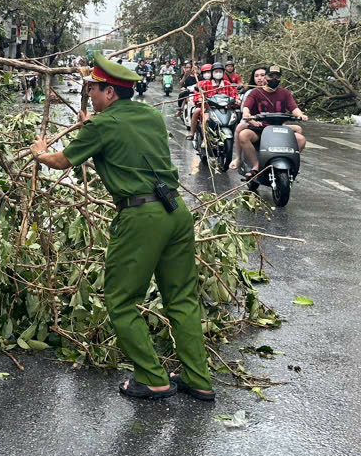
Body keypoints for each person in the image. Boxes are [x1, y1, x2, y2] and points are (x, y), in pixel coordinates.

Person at [29, 56, 214, 402]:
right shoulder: (150, 116)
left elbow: (62, 161)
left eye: (94, 90)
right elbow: (124, 141)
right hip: (176, 213)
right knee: (182, 299)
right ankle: (198, 378)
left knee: (121, 300)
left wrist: (40, 152)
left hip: (141, 218)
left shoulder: (103, 126)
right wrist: (91, 125)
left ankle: (153, 377)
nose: (91, 95)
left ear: (110, 93)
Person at [237, 65, 309, 179]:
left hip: (279, 129)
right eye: (271, 76)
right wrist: (247, 114)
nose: (274, 79)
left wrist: (300, 115)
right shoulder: (256, 92)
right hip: (261, 129)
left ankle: (290, 162)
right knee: (243, 135)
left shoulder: (284, 93)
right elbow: (247, 107)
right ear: (266, 77)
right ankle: (256, 166)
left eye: (277, 76)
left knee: (300, 139)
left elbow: (293, 107)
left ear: (281, 78)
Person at [230, 66, 269, 170]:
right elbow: (245, 111)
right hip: (252, 121)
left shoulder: (276, 92)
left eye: (262, 75)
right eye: (256, 76)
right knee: (239, 127)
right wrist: (252, 121)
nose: (260, 78)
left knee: (296, 130)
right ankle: (238, 158)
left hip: (271, 121)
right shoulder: (250, 93)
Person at [189, 61, 237, 142]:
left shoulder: (227, 84)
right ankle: (203, 139)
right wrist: (200, 99)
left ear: (223, 73)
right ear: (212, 73)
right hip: (209, 109)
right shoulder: (205, 84)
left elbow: (235, 94)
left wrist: (237, 100)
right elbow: (198, 94)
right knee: (205, 119)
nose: (218, 73)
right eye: (216, 71)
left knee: (236, 116)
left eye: (220, 72)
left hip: (225, 109)